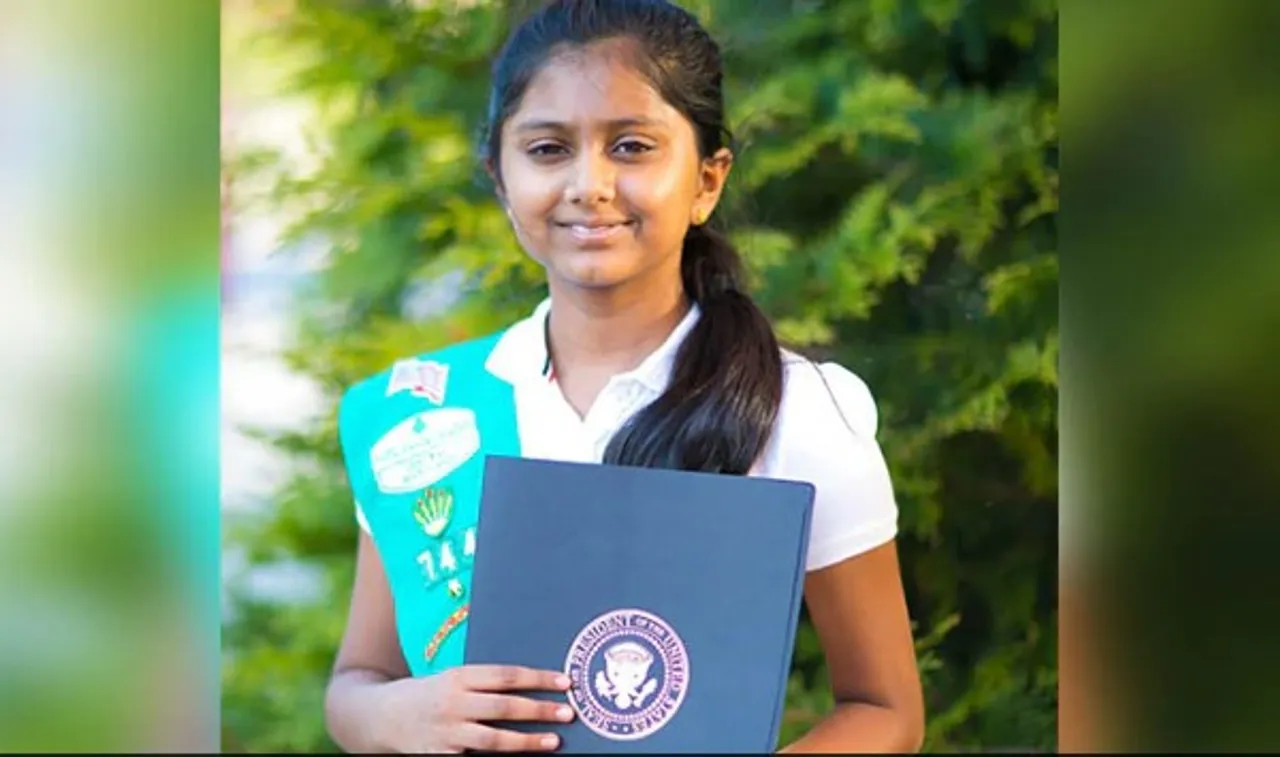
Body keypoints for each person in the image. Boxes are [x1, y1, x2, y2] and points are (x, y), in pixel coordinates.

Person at [323, 0, 924, 752]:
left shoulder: (796, 411)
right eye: (547, 149)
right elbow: (358, 679)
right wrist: (396, 715)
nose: (589, 185)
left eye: (633, 146)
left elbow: (885, 707)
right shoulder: (416, 420)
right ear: (500, 179)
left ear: (708, 179)